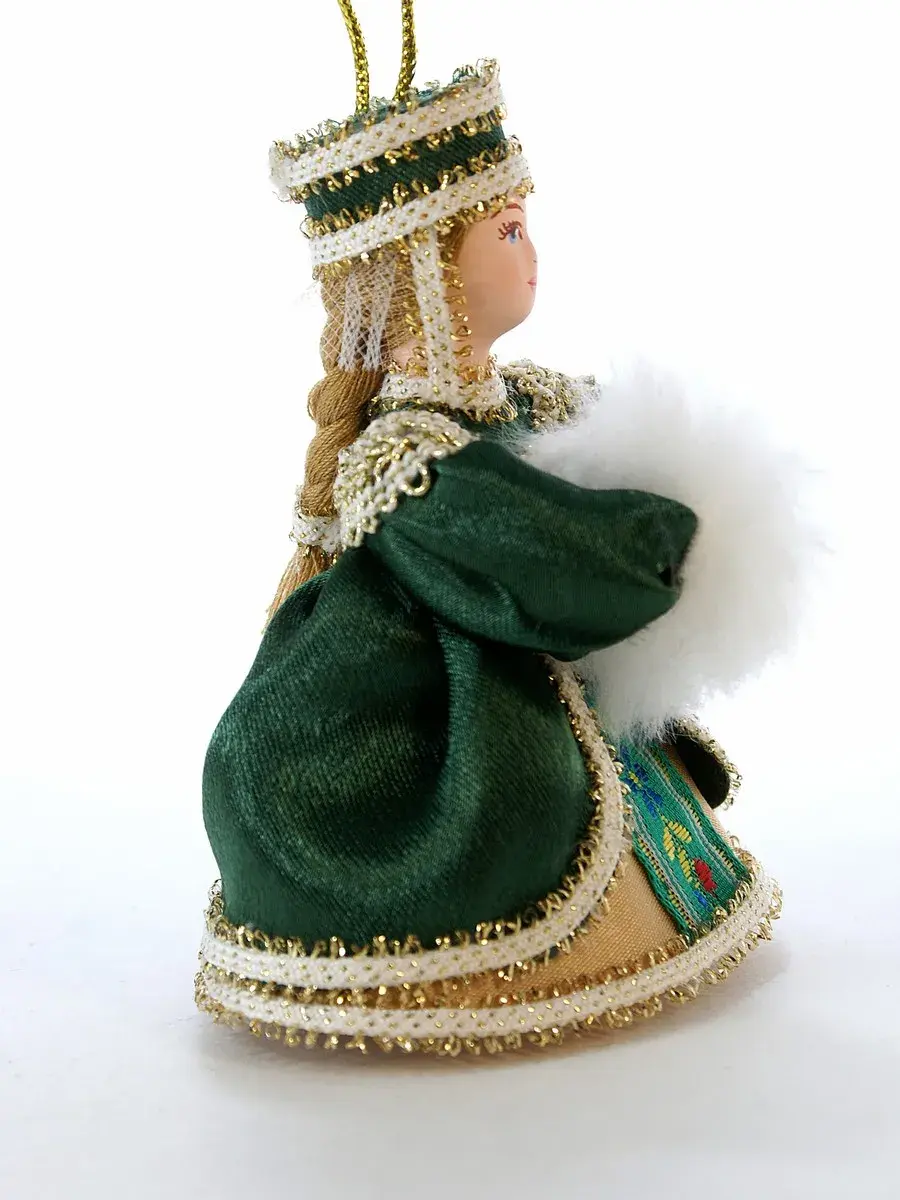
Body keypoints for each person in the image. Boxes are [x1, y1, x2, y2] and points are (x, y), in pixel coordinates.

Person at [195, 1, 819, 1056]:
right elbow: (530, 550)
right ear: (427, 269)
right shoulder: (409, 460)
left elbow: (590, 448)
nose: (533, 256)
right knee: (516, 797)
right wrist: (655, 540)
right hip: (430, 713)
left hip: (533, 674)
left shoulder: (514, 398)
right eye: (510, 232)